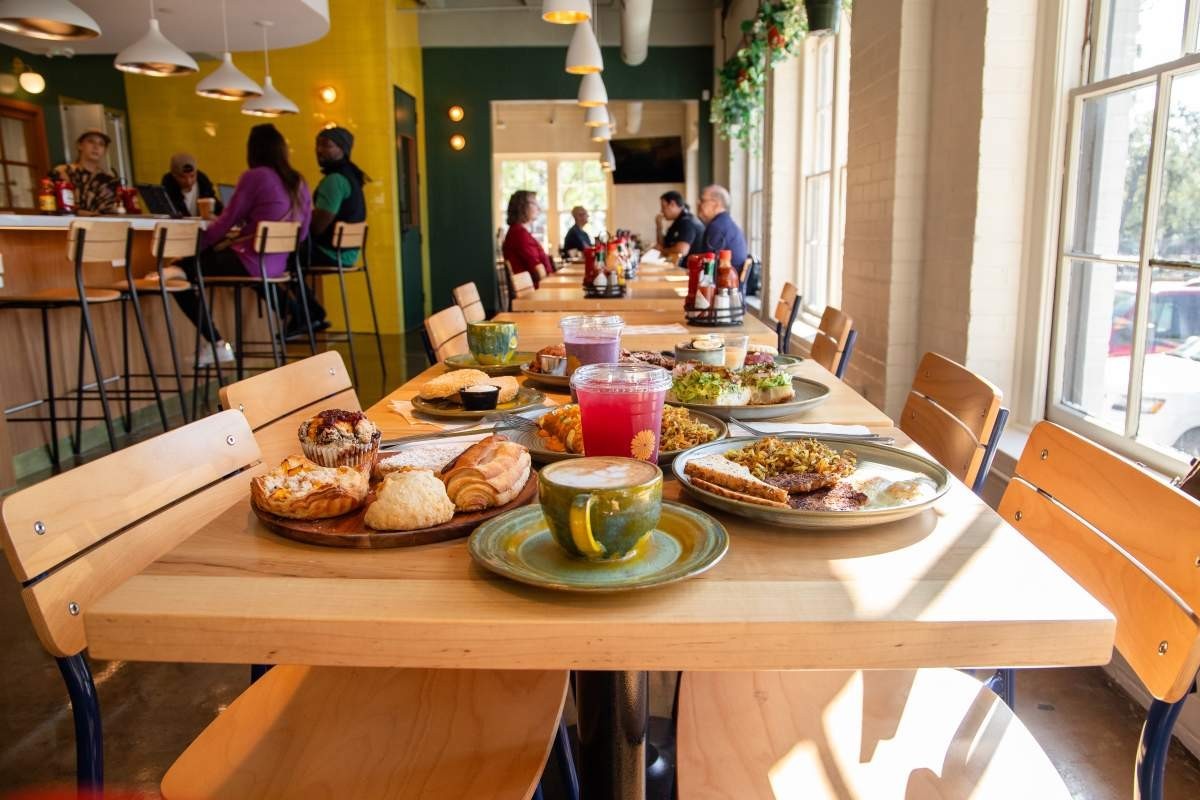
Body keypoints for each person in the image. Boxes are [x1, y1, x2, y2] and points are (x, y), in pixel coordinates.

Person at [170, 123, 312, 366]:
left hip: (250, 262)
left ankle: (216, 343)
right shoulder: (298, 181)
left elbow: (226, 221)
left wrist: (196, 246)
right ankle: (293, 313)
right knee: (189, 269)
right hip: (276, 266)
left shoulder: (255, 176)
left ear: (253, 150)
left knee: (177, 274)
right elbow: (302, 233)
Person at [53, 128, 122, 215]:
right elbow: (54, 204)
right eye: (91, 141)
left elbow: (111, 211)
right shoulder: (62, 172)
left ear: (105, 151)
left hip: (101, 223)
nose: (96, 147)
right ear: (80, 145)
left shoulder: (109, 181)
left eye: (101, 144)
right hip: (67, 222)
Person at [502, 190, 553, 288]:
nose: (539, 208)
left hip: (540, 287)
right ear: (522, 207)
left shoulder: (520, 232)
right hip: (535, 292)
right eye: (534, 203)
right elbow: (538, 270)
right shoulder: (519, 234)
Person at [697, 184, 748, 268]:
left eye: (703, 200)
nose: (699, 204)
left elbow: (709, 267)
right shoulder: (726, 223)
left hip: (725, 276)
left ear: (716, 204)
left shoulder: (716, 227)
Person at [160, 152, 222, 218]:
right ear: (174, 175)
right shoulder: (167, 188)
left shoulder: (203, 184)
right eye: (182, 177)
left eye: (192, 176)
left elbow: (218, 209)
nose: (188, 181)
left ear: (196, 173)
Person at [655, 190, 704, 262]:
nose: (661, 211)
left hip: (688, 267)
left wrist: (662, 251)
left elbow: (682, 250)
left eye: (663, 207)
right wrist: (659, 226)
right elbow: (663, 244)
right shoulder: (678, 222)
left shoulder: (687, 222)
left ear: (672, 204)